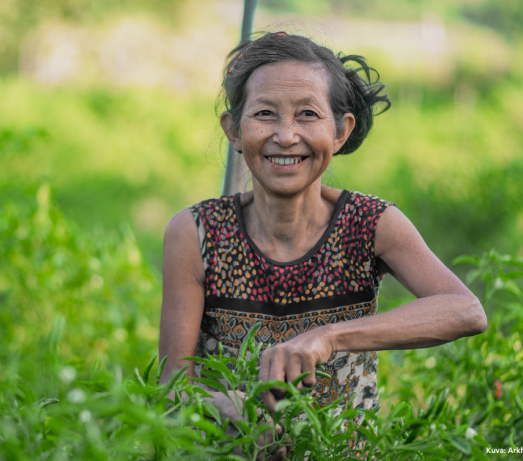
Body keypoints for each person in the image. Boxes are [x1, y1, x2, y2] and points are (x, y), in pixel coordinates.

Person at [158, 31, 487, 457]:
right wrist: (221, 409)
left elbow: (465, 310)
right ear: (234, 131)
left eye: (308, 114)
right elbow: (170, 388)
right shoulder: (196, 232)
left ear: (339, 131)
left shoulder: (370, 224)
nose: (286, 135)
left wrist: (328, 337)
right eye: (264, 114)